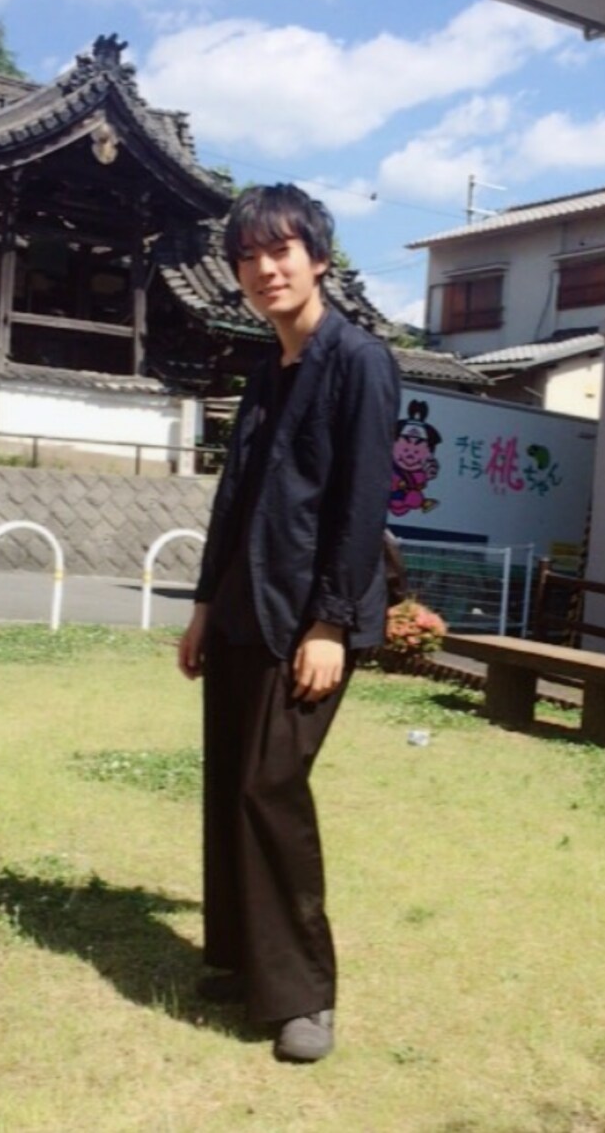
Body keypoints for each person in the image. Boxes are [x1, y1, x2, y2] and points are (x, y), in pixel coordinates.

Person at [177, 183, 399, 1063]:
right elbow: (234, 499)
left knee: (270, 785)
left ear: (318, 259)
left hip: (308, 617)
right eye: (249, 257)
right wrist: (203, 606)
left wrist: (332, 625)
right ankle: (239, 957)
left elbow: (361, 503)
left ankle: (305, 994)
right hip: (242, 605)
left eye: (281, 251)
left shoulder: (360, 361)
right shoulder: (268, 370)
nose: (265, 269)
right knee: (229, 781)